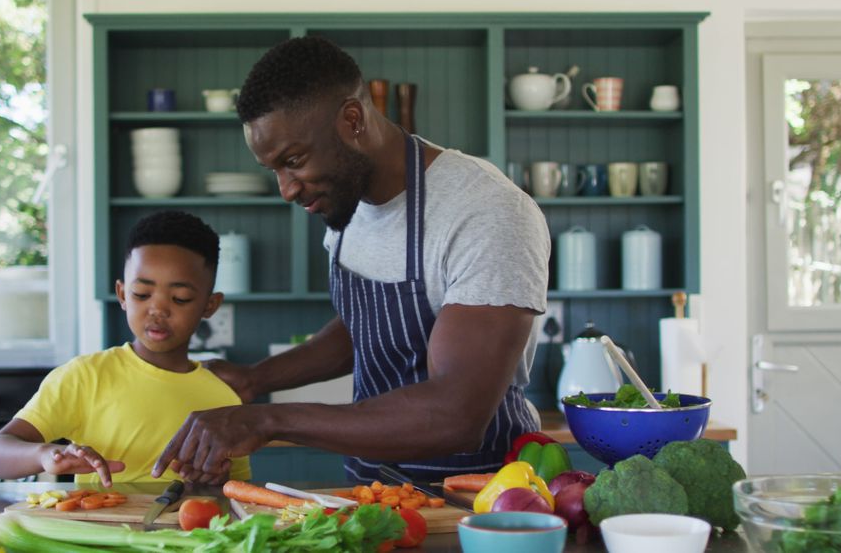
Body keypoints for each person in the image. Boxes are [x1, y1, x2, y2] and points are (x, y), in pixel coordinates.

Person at [152, 36, 550, 485]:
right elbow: (362, 327)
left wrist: (267, 421)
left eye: (294, 160)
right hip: (375, 488)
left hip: (481, 500)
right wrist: (253, 379)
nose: (287, 189)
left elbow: (455, 415)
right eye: (275, 170)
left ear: (352, 120)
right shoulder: (346, 199)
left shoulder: (485, 212)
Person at [0, 211, 250, 486]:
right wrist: (46, 454)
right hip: (100, 527)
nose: (157, 310)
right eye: (142, 295)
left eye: (180, 299)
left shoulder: (222, 396)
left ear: (210, 305)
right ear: (122, 294)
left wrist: (217, 480)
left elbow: (238, 490)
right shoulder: (85, 377)